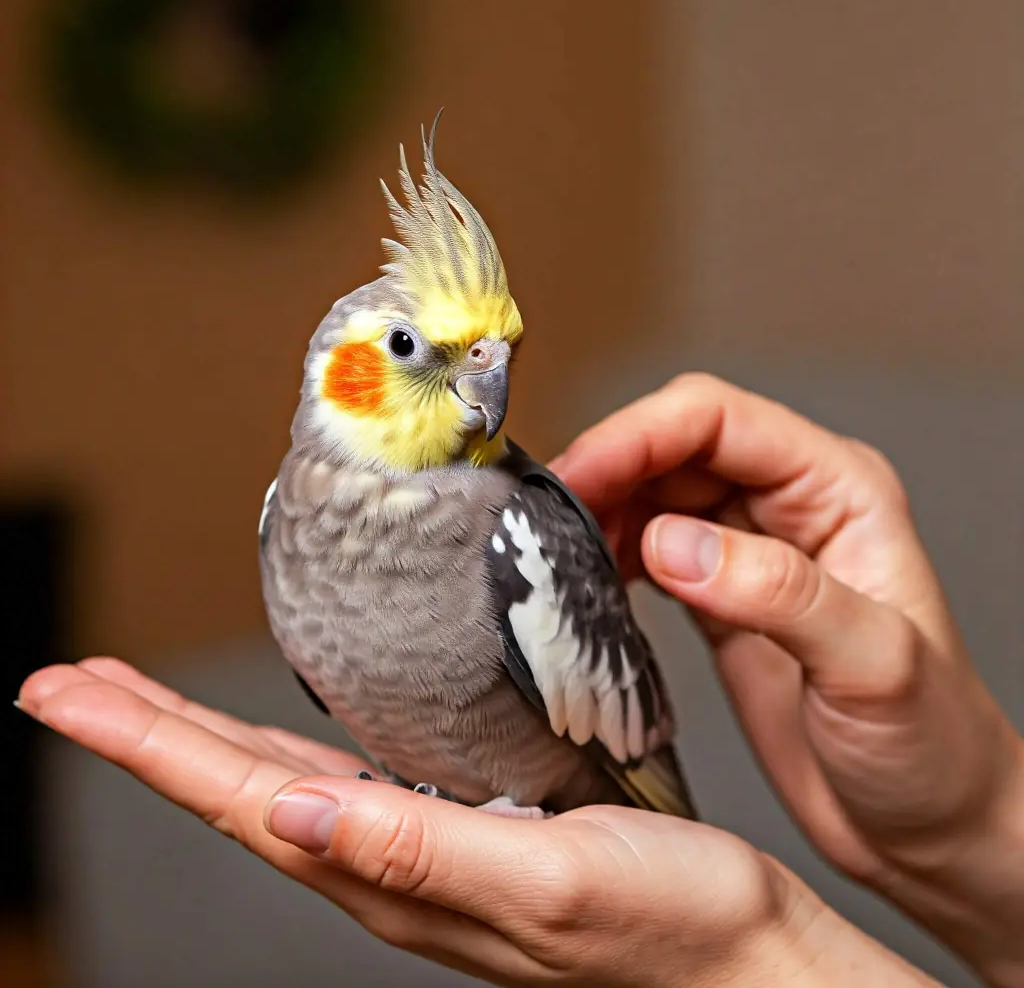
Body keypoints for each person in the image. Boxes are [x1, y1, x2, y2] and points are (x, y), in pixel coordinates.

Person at [17, 373, 1024, 988]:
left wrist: (752, 950)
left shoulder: (519, 525)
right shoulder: (287, 510)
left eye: (492, 354)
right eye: (418, 351)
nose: (480, 383)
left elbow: (613, 741)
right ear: (341, 374)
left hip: (569, 767)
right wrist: (972, 831)